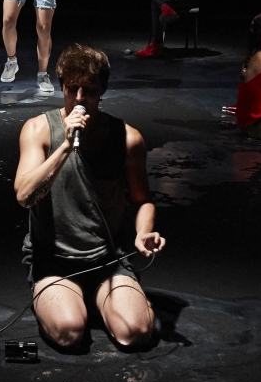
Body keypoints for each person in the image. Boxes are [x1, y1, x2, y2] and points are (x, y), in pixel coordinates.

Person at [14, 43, 165, 351]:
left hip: (107, 259)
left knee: (134, 333)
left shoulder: (128, 138)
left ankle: (113, 301)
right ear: (62, 87)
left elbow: (143, 200)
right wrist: (65, 146)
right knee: (69, 333)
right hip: (53, 261)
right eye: (73, 89)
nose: (80, 98)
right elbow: (25, 196)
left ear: (103, 90)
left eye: (90, 90)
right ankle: (65, 300)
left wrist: (143, 232)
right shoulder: (38, 130)